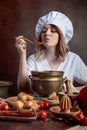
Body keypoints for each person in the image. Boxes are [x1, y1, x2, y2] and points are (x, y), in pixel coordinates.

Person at [15, 11, 87, 94]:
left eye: (53, 31)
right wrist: (22, 54)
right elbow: (23, 88)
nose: (47, 34)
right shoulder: (33, 59)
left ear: (61, 36)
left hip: (64, 106)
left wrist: (70, 90)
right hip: (39, 106)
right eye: (44, 31)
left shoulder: (73, 59)